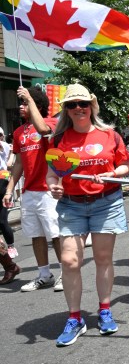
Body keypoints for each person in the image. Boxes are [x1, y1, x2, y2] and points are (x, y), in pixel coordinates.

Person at [45, 84, 129, 347]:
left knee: (103, 258)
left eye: (83, 103)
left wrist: (112, 174)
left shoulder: (110, 136)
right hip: (71, 205)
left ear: (92, 106)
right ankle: (75, 318)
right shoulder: (58, 141)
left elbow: (125, 165)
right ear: (66, 111)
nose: (78, 108)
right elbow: (51, 174)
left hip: (106, 202)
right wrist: (53, 186)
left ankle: (104, 310)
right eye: (72, 105)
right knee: (70, 261)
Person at [2, 86, 63, 292]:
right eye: (21, 103)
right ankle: (44, 274)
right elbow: (18, 163)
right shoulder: (19, 132)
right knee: (36, 235)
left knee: (55, 234)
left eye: (24, 103)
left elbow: (44, 131)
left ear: (36, 105)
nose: (20, 106)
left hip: (48, 189)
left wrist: (29, 98)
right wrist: (10, 190)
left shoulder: (52, 123)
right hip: (29, 191)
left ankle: (66, 273)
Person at [0, 126, 16, 259]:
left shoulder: (5, 147)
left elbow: (8, 166)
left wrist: (11, 154)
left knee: (2, 220)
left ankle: (11, 246)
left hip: (3, 186)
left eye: (1, 135)